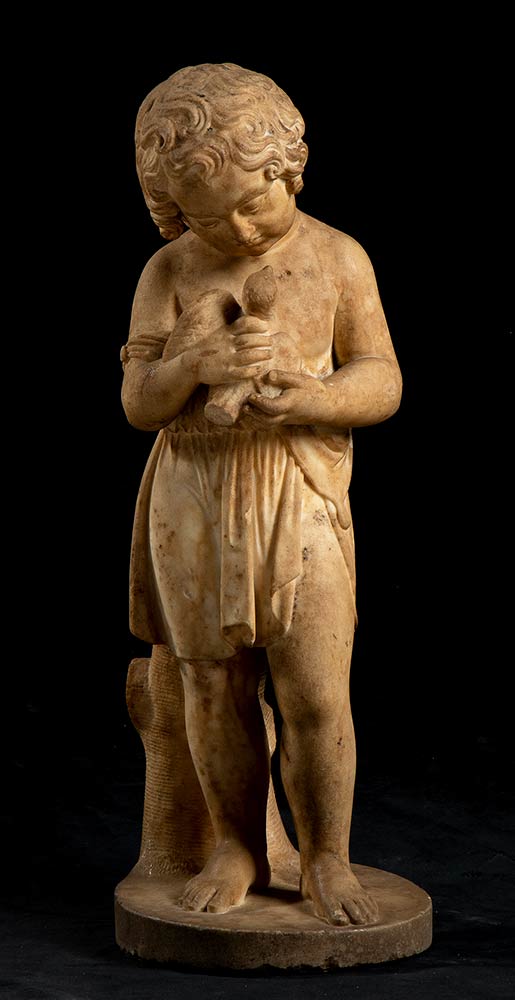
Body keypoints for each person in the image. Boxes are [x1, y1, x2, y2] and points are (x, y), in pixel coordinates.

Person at [121, 62, 402, 926]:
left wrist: (310, 396)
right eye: (208, 218)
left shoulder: (335, 257)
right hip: (195, 497)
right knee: (212, 690)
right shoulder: (170, 269)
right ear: (173, 210)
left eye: (254, 204)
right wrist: (194, 365)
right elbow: (139, 403)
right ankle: (237, 845)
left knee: (315, 695)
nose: (238, 230)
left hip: (298, 492)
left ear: (288, 168)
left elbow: (381, 378)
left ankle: (325, 860)